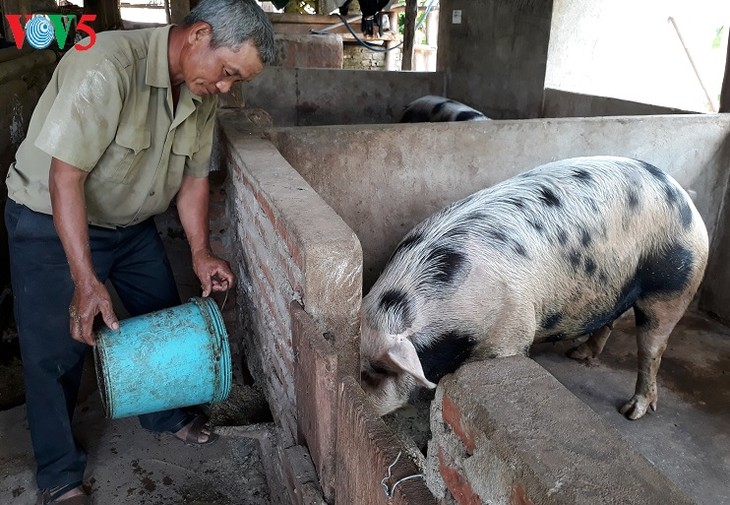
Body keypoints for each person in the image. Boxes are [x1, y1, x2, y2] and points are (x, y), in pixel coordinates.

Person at [4, 0, 275, 503]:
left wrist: (200, 251)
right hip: (50, 218)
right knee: (57, 348)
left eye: (237, 81)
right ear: (198, 35)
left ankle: (163, 413)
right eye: (228, 72)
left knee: (161, 312)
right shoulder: (106, 64)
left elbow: (194, 180)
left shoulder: (200, 92)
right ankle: (59, 475)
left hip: (128, 225)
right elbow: (66, 178)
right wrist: (86, 280)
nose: (225, 87)